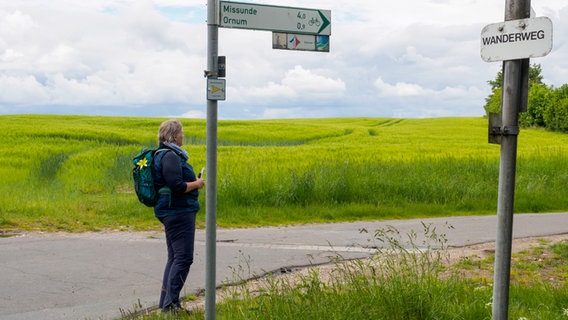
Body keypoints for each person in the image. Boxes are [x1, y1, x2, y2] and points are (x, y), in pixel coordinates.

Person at [153, 119, 205, 313]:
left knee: (174, 257)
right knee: (183, 258)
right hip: (178, 211)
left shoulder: (165, 154)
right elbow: (177, 185)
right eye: (182, 133)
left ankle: (166, 303)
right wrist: (197, 183)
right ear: (174, 136)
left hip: (173, 211)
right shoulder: (170, 156)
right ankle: (170, 306)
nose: (184, 136)